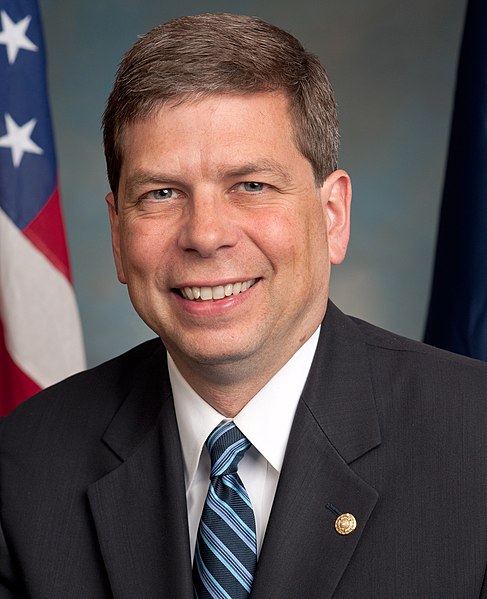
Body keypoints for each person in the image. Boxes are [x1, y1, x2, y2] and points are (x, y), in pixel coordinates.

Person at [1, 13, 487, 599]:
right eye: (161, 193)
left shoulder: (474, 444)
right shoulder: (23, 468)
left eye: (251, 185)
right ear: (117, 233)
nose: (205, 235)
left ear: (333, 215)